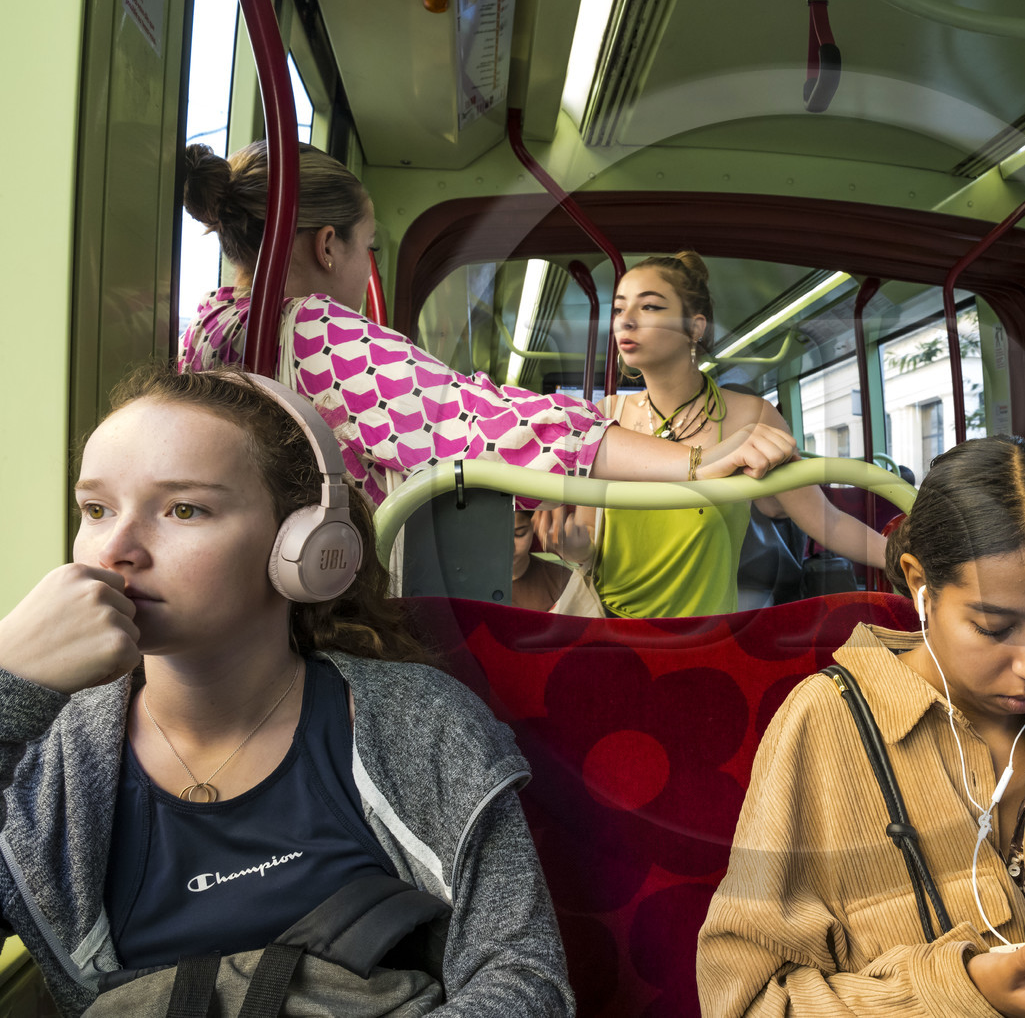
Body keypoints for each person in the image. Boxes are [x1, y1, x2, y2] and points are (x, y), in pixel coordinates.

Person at [0, 365, 572, 1016]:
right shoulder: (43, 754)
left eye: (184, 508)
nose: (115, 548)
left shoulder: (422, 724)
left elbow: (525, 982)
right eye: (96, 509)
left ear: (304, 545)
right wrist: (6, 683)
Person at [697, 437, 1025, 1018]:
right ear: (920, 586)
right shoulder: (823, 727)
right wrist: (963, 993)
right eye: (993, 627)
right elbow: (746, 1002)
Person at [178, 142, 794, 511]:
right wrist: (692, 463)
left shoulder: (207, 329)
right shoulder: (312, 331)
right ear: (329, 246)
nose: (369, 267)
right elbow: (473, 420)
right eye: (369, 247)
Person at [532, 252, 888, 617]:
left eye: (650, 307)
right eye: (619, 310)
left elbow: (826, 521)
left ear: (695, 327)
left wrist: (905, 559)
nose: (627, 322)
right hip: (613, 631)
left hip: (707, 637)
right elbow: (591, 541)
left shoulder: (749, 416)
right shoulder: (605, 416)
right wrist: (574, 548)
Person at [512, 509, 574, 611]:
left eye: (519, 533)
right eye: (496, 536)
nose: (509, 546)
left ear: (534, 525)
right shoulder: (475, 585)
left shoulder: (561, 579)